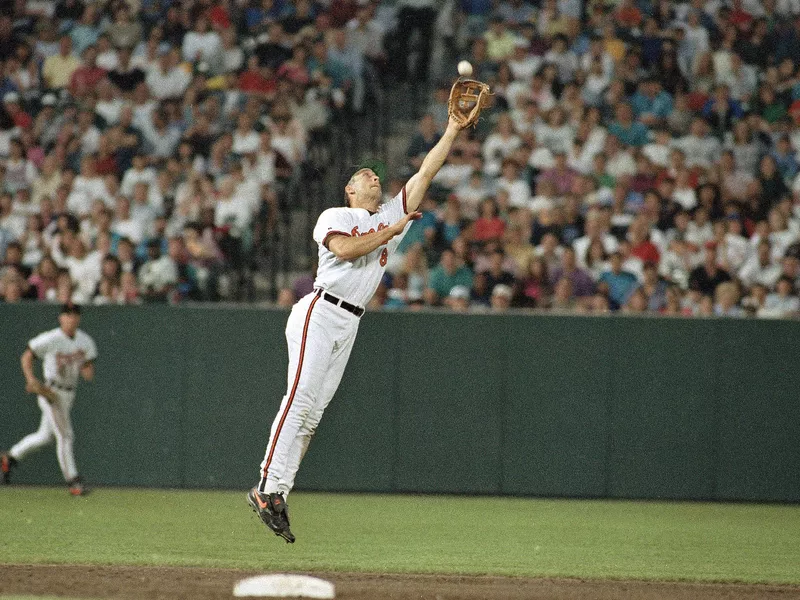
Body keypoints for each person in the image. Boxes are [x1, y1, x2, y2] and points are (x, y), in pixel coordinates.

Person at [247, 112, 469, 543]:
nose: (373, 178)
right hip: (320, 310)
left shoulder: (387, 217)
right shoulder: (336, 215)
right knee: (299, 398)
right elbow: (347, 251)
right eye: (365, 176)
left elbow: (426, 171)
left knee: (313, 417)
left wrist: (453, 131)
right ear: (349, 190)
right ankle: (264, 487)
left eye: (375, 176)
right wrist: (392, 230)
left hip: (349, 322)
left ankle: (280, 494)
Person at [1, 304, 98, 496]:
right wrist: (31, 379)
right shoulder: (51, 338)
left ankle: (9, 458)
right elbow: (27, 355)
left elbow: (88, 368)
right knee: (65, 436)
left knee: (45, 436)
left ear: (78, 318)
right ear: (61, 318)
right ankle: (73, 481)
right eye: (67, 315)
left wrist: (85, 369)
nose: (71, 318)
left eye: (74, 315)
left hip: (69, 392)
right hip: (51, 391)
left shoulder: (85, 341)